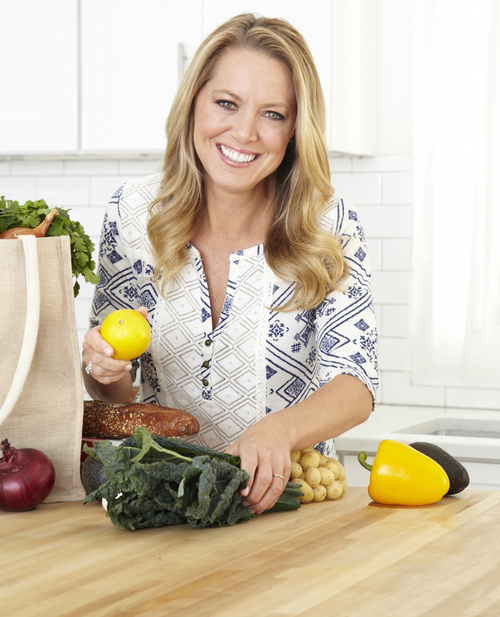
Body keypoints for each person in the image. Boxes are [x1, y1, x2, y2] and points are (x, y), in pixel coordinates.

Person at [82, 13, 378, 515]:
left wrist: (278, 430)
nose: (244, 132)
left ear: (294, 130)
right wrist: (104, 370)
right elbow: (113, 390)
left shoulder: (328, 224)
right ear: (194, 104)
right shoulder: (133, 213)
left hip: (287, 501)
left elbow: (356, 383)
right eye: (226, 103)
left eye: (273, 114)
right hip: (162, 504)